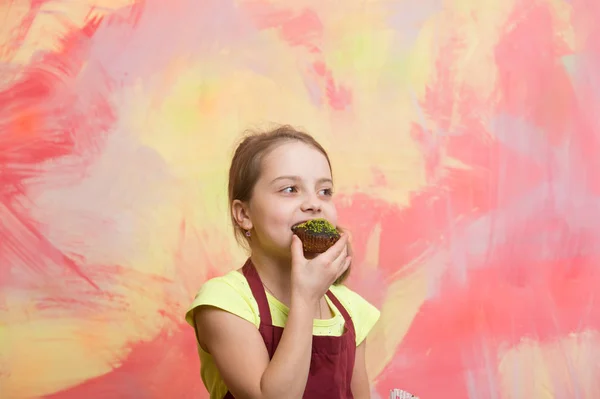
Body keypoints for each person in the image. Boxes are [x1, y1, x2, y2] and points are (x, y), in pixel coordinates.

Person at [185, 125, 381, 398]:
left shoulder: (351, 310)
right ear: (244, 214)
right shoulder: (225, 302)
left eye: (324, 191)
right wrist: (305, 297)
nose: (314, 204)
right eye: (290, 189)